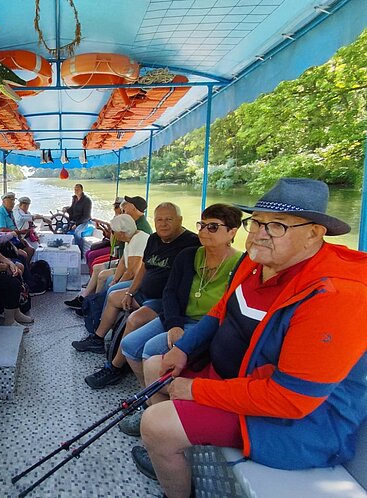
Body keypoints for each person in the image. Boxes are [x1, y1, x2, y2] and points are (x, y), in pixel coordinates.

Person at [132, 178, 367, 498]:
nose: (258, 234)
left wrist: (195, 389)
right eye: (255, 222)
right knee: (155, 365)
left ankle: (170, 465)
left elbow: (290, 399)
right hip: (236, 377)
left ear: (314, 233)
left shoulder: (337, 296)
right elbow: (221, 310)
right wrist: (184, 348)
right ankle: (174, 453)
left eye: (277, 226)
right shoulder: (256, 262)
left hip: (295, 421)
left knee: (155, 424)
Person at [84, 204, 242, 396]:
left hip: (206, 324)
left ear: (232, 232)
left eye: (213, 227)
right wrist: (174, 323)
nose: (204, 231)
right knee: (129, 344)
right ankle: (147, 399)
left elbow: (231, 311)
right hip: (177, 314)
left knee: (149, 349)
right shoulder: (189, 255)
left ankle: (154, 401)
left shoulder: (240, 265)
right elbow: (171, 292)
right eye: (202, 225)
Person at [72, 202, 199, 354]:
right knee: (113, 296)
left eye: (169, 219)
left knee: (133, 317)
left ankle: (116, 359)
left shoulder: (192, 243)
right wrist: (130, 292)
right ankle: (98, 339)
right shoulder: (154, 239)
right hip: (144, 292)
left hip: (163, 299)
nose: (163, 224)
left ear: (180, 220)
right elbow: (144, 268)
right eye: (159, 220)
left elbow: (133, 270)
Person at [64, 214, 148, 310]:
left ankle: (95, 307)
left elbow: (132, 272)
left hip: (139, 279)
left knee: (109, 284)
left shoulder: (137, 241)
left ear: (121, 233)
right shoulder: (129, 238)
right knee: (102, 273)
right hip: (129, 272)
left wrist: (117, 283)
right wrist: (115, 280)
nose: (113, 234)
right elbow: (123, 262)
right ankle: (91, 303)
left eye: (113, 232)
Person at [85, 197, 124, 269]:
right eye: (115, 206)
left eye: (117, 207)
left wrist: (106, 228)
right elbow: (109, 235)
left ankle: (93, 274)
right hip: (110, 243)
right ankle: (91, 274)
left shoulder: (122, 220)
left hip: (115, 248)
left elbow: (115, 240)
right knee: (88, 253)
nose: (115, 209)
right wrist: (101, 228)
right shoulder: (115, 217)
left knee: (92, 256)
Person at [0, 192, 34, 261]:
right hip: (7, 241)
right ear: (4, 201)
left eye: (13, 201)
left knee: (30, 249)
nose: (13, 203)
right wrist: (19, 232)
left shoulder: (10, 212)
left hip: (14, 237)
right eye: (11, 201)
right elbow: (1, 230)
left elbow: (14, 227)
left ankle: (26, 266)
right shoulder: (1, 213)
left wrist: (20, 237)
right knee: (27, 252)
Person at [63, 183, 93, 250]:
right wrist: (66, 209)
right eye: (75, 189)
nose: (76, 191)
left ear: (82, 190)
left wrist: (76, 224)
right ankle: (67, 248)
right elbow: (72, 209)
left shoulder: (87, 200)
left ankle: (78, 250)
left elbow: (86, 216)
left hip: (84, 221)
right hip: (75, 220)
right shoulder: (75, 198)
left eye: (78, 189)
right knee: (64, 228)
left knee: (77, 232)